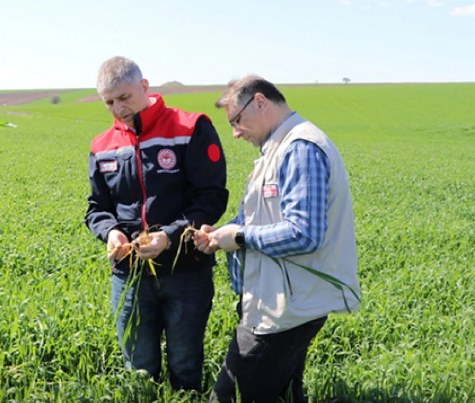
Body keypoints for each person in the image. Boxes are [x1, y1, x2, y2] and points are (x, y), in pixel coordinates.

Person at [194, 76, 361, 403]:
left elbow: (303, 233)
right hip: (281, 299)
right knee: (282, 393)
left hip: (287, 307)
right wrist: (221, 234)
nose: (236, 132)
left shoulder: (300, 149)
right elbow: (260, 218)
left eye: (237, 120)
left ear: (260, 102)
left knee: (230, 396)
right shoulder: (278, 149)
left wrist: (239, 237)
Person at [85, 56, 229, 391]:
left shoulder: (191, 127)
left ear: (144, 87)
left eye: (124, 98)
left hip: (186, 271)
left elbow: (210, 197)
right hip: (130, 276)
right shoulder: (102, 146)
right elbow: (96, 208)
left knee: (185, 363)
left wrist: (171, 235)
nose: (118, 109)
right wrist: (111, 232)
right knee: (139, 369)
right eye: (109, 102)